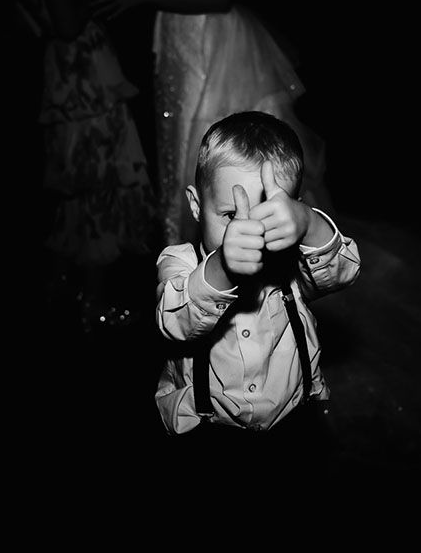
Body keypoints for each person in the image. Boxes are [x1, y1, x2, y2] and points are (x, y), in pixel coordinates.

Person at [90, 0, 332, 247]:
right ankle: (189, 261)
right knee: (178, 144)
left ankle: (272, 248)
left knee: (219, 147)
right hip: (178, 40)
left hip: (210, 42)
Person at [153, 111, 360, 484]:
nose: (248, 231)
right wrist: (222, 269)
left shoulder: (292, 263)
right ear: (197, 206)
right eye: (231, 214)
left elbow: (344, 272)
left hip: (294, 428)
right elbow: (175, 322)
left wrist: (309, 224)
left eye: (267, 217)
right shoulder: (179, 262)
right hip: (210, 436)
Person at [16, 0, 157, 332]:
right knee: (98, 183)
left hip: (86, 72)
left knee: (85, 186)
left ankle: (61, 286)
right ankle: (91, 302)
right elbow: (66, 21)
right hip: (79, 77)